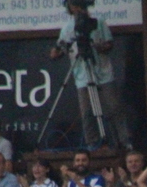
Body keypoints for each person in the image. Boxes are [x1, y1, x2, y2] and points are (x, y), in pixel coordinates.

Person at [51, 3, 129, 149]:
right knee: (87, 112)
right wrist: (64, 47)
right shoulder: (67, 28)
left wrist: (98, 47)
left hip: (103, 73)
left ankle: (124, 141)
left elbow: (109, 44)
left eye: (79, 5)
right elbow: (55, 53)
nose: (78, 9)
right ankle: (92, 144)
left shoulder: (98, 22)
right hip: (82, 76)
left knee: (114, 108)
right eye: (74, 6)